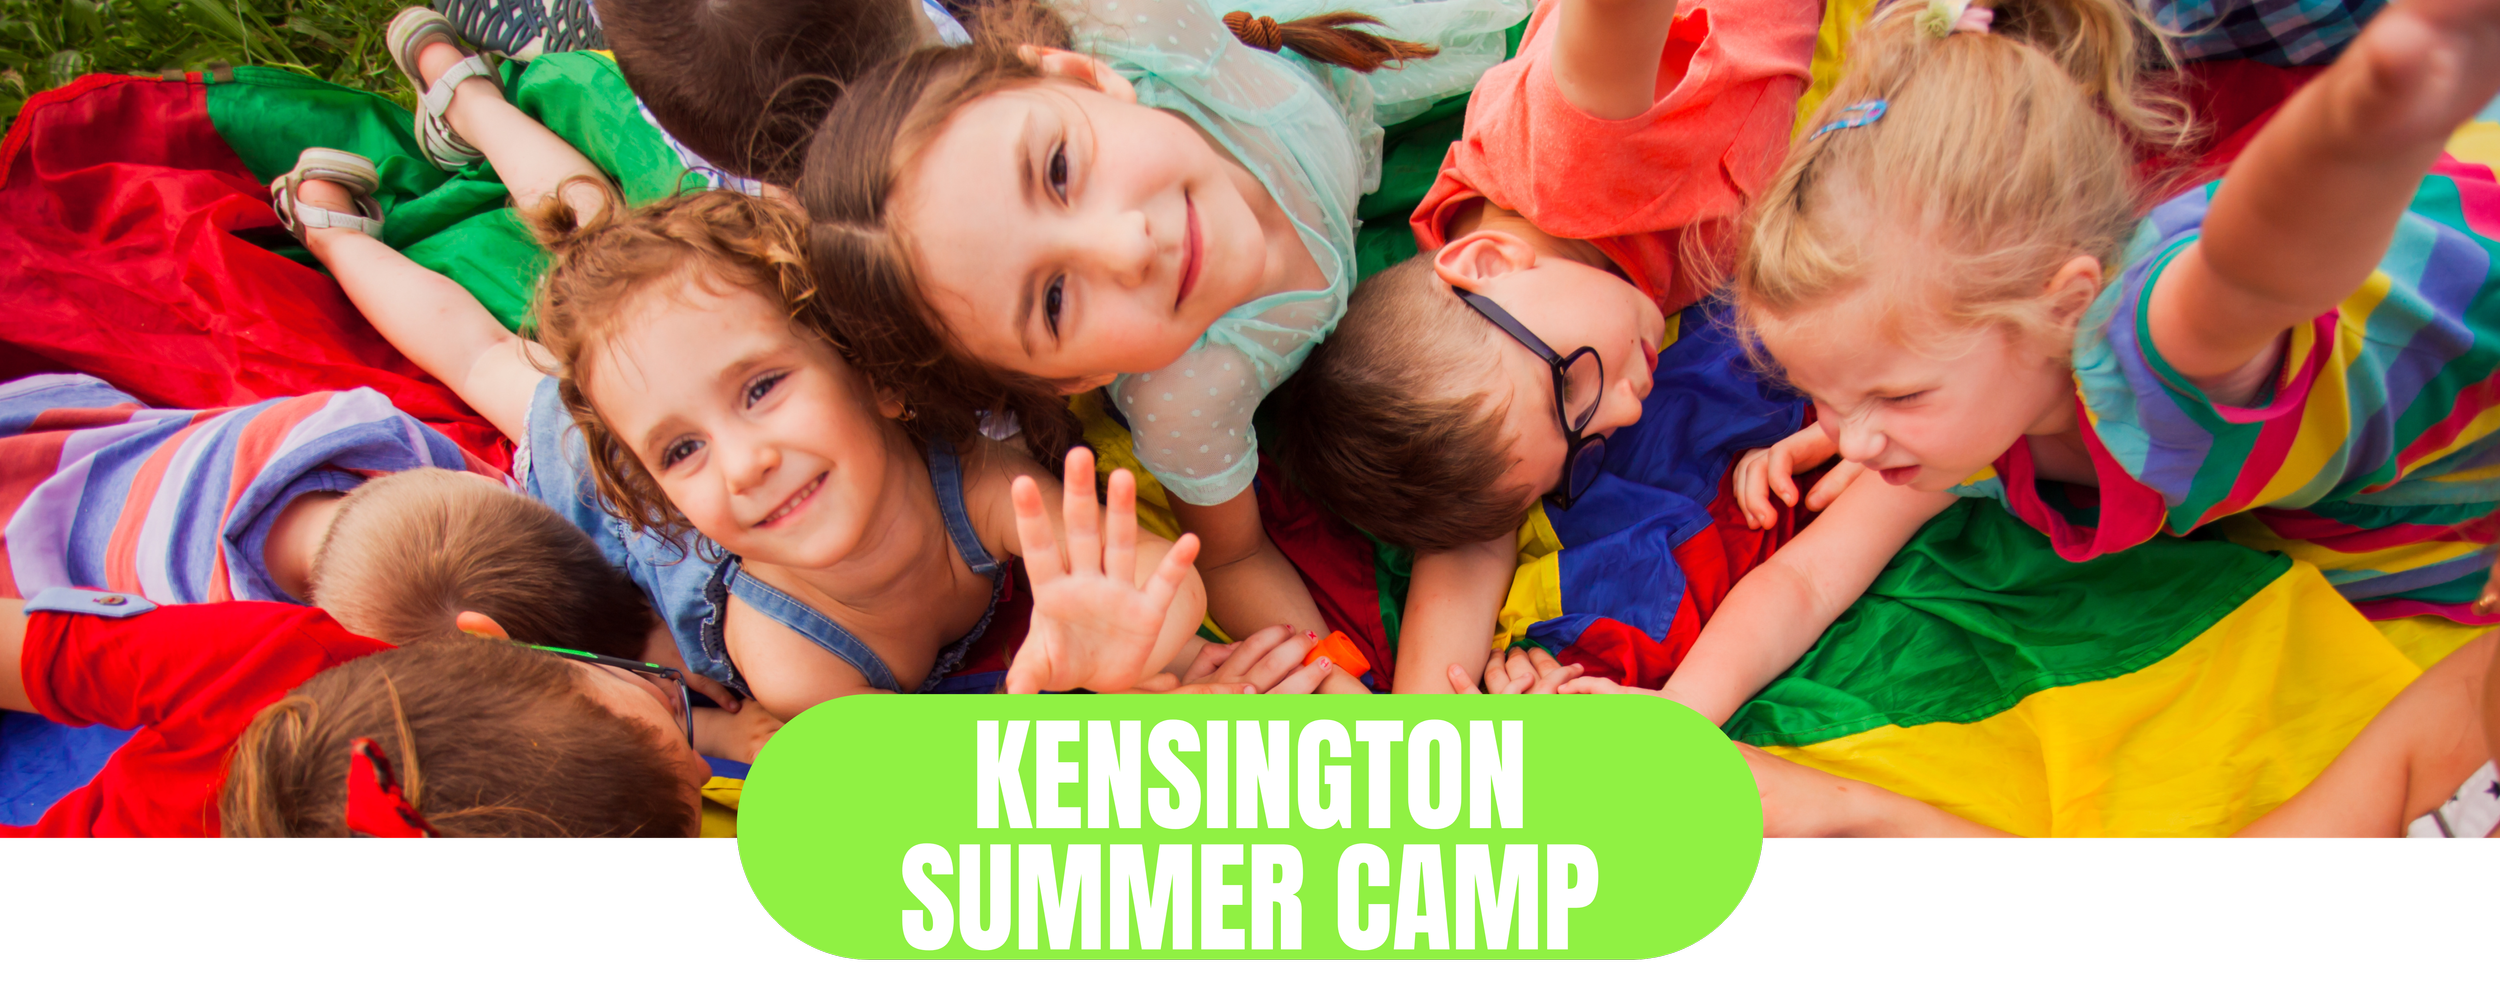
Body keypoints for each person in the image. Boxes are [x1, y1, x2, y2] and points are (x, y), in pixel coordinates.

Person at [279, 12, 1254, 717]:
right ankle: (336, 231)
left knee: (592, 226)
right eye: (686, 451)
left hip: (664, 368)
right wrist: (1043, 684)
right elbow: (930, 785)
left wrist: (1131, 639)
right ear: (655, 481)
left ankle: (468, 89)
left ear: (875, 374)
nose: (744, 461)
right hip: (599, 460)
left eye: (762, 389)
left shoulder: (976, 479)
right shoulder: (792, 656)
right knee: (496, 352)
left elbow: (1128, 580)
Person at [1581, 0, 2500, 720]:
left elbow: (2255, 263)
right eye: (1820, 395)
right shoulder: (1972, 398)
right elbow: (1806, 577)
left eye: (1895, 392)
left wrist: (2381, 99)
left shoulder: (2155, 346)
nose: (1854, 442)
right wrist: (1678, 719)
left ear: (2063, 305)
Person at [798, 0, 1521, 664]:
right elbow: (1234, 558)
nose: (1128, 246)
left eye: (1058, 171)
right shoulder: (1187, 398)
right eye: (1054, 301)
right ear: (1072, 381)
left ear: (1083, 75)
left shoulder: (1144, 27)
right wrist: (1331, 676)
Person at [1269, 0, 1820, 690]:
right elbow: (1475, 536)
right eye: (1583, 443)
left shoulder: (1578, 146)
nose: (1622, 414)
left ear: (1486, 262)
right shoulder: (1494, 325)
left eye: (1569, 386)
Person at [1, 593, 706, 837]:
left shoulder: (262, 660)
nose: (707, 768)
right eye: (663, 703)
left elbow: (45, 652)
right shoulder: (263, 660)